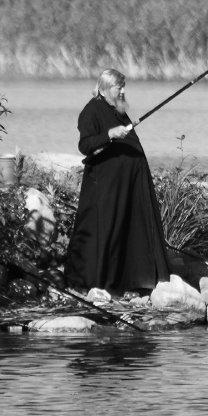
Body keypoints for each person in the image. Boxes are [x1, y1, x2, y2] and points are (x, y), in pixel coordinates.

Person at [64, 69, 171, 295]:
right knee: (107, 228)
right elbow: (85, 145)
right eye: (118, 87)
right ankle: (100, 282)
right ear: (104, 88)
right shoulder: (91, 110)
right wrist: (110, 134)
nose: (122, 91)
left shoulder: (118, 110)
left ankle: (137, 280)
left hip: (130, 182)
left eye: (123, 86)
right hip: (107, 184)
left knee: (134, 224)